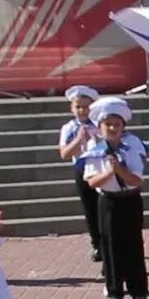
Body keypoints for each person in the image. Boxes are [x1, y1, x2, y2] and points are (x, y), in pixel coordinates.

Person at [81, 97, 149, 299]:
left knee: (134, 246)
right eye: (108, 124)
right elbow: (91, 182)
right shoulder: (95, 150)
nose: (112, 128)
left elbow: (137, 180)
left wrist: (120, 170)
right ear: (100, 128)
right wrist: (109, 172)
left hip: (130, 199)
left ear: (123, 126)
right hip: (108, 201)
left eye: (117, 124)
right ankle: (114, 294)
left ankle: (139, 293)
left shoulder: (133, 146)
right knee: (111, 248)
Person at [56, 85, 103, 262]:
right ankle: (97, 244)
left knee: (104, 207)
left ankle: (110, 242)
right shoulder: (68, 128)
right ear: (72, 108)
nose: (82, 111)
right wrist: (78, 139)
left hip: (100, 168)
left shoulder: (100, 124)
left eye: (86, 107)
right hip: (82, 169)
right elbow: (64, 154)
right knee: (90, 209)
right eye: (78, 107)